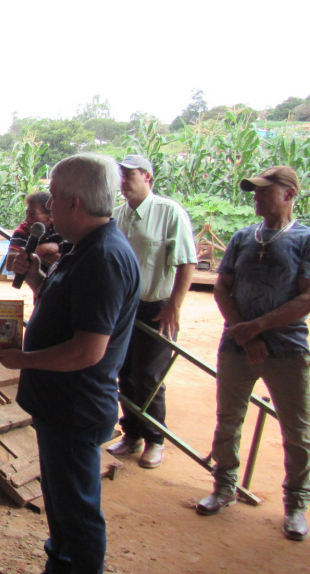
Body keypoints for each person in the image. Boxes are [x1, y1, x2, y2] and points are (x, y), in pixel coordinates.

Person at [0, 154, 140, 574]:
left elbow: (87, 349)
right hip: (58, 402)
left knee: (77, 507)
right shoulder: (83, 249)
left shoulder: (104, 258)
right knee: (59, 500)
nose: (47, 209)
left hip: (77, 405)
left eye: (53, 199)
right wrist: (36, 276)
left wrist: (23, 360)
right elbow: (65, 309)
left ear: (74, 202)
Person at [198, 166, 310, 542]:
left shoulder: (304, 239)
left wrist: (257, 328)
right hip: (237, 345)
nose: (257, 196)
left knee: (297, 430)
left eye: (266, 190)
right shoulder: (243, 237)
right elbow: (222, 288)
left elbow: (307, 297)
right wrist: (243, 334)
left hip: (287, 347)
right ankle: (223, 487)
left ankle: (296, 504)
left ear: (290, 194)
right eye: (255, 191)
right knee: (228, 419)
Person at [108, 154, 197, 469]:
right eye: (119, 175)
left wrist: (174, 305)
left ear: (147, 176)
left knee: (148, 375)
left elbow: (187, 261)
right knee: (123, 373)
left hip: (155, 308)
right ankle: (131, 434)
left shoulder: (168, 212)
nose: (122, 181)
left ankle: (155, 439)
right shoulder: (117, 215)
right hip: (122, 308)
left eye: (128, 174)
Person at [7, 191, 64, 271]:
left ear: (50, 217)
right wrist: (41, 250)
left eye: (33, 214)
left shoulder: (60, 229)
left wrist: (27, 255)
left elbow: (67, 264)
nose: (27, 219)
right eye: (27, 214)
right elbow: (10, 263)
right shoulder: (23, 229)